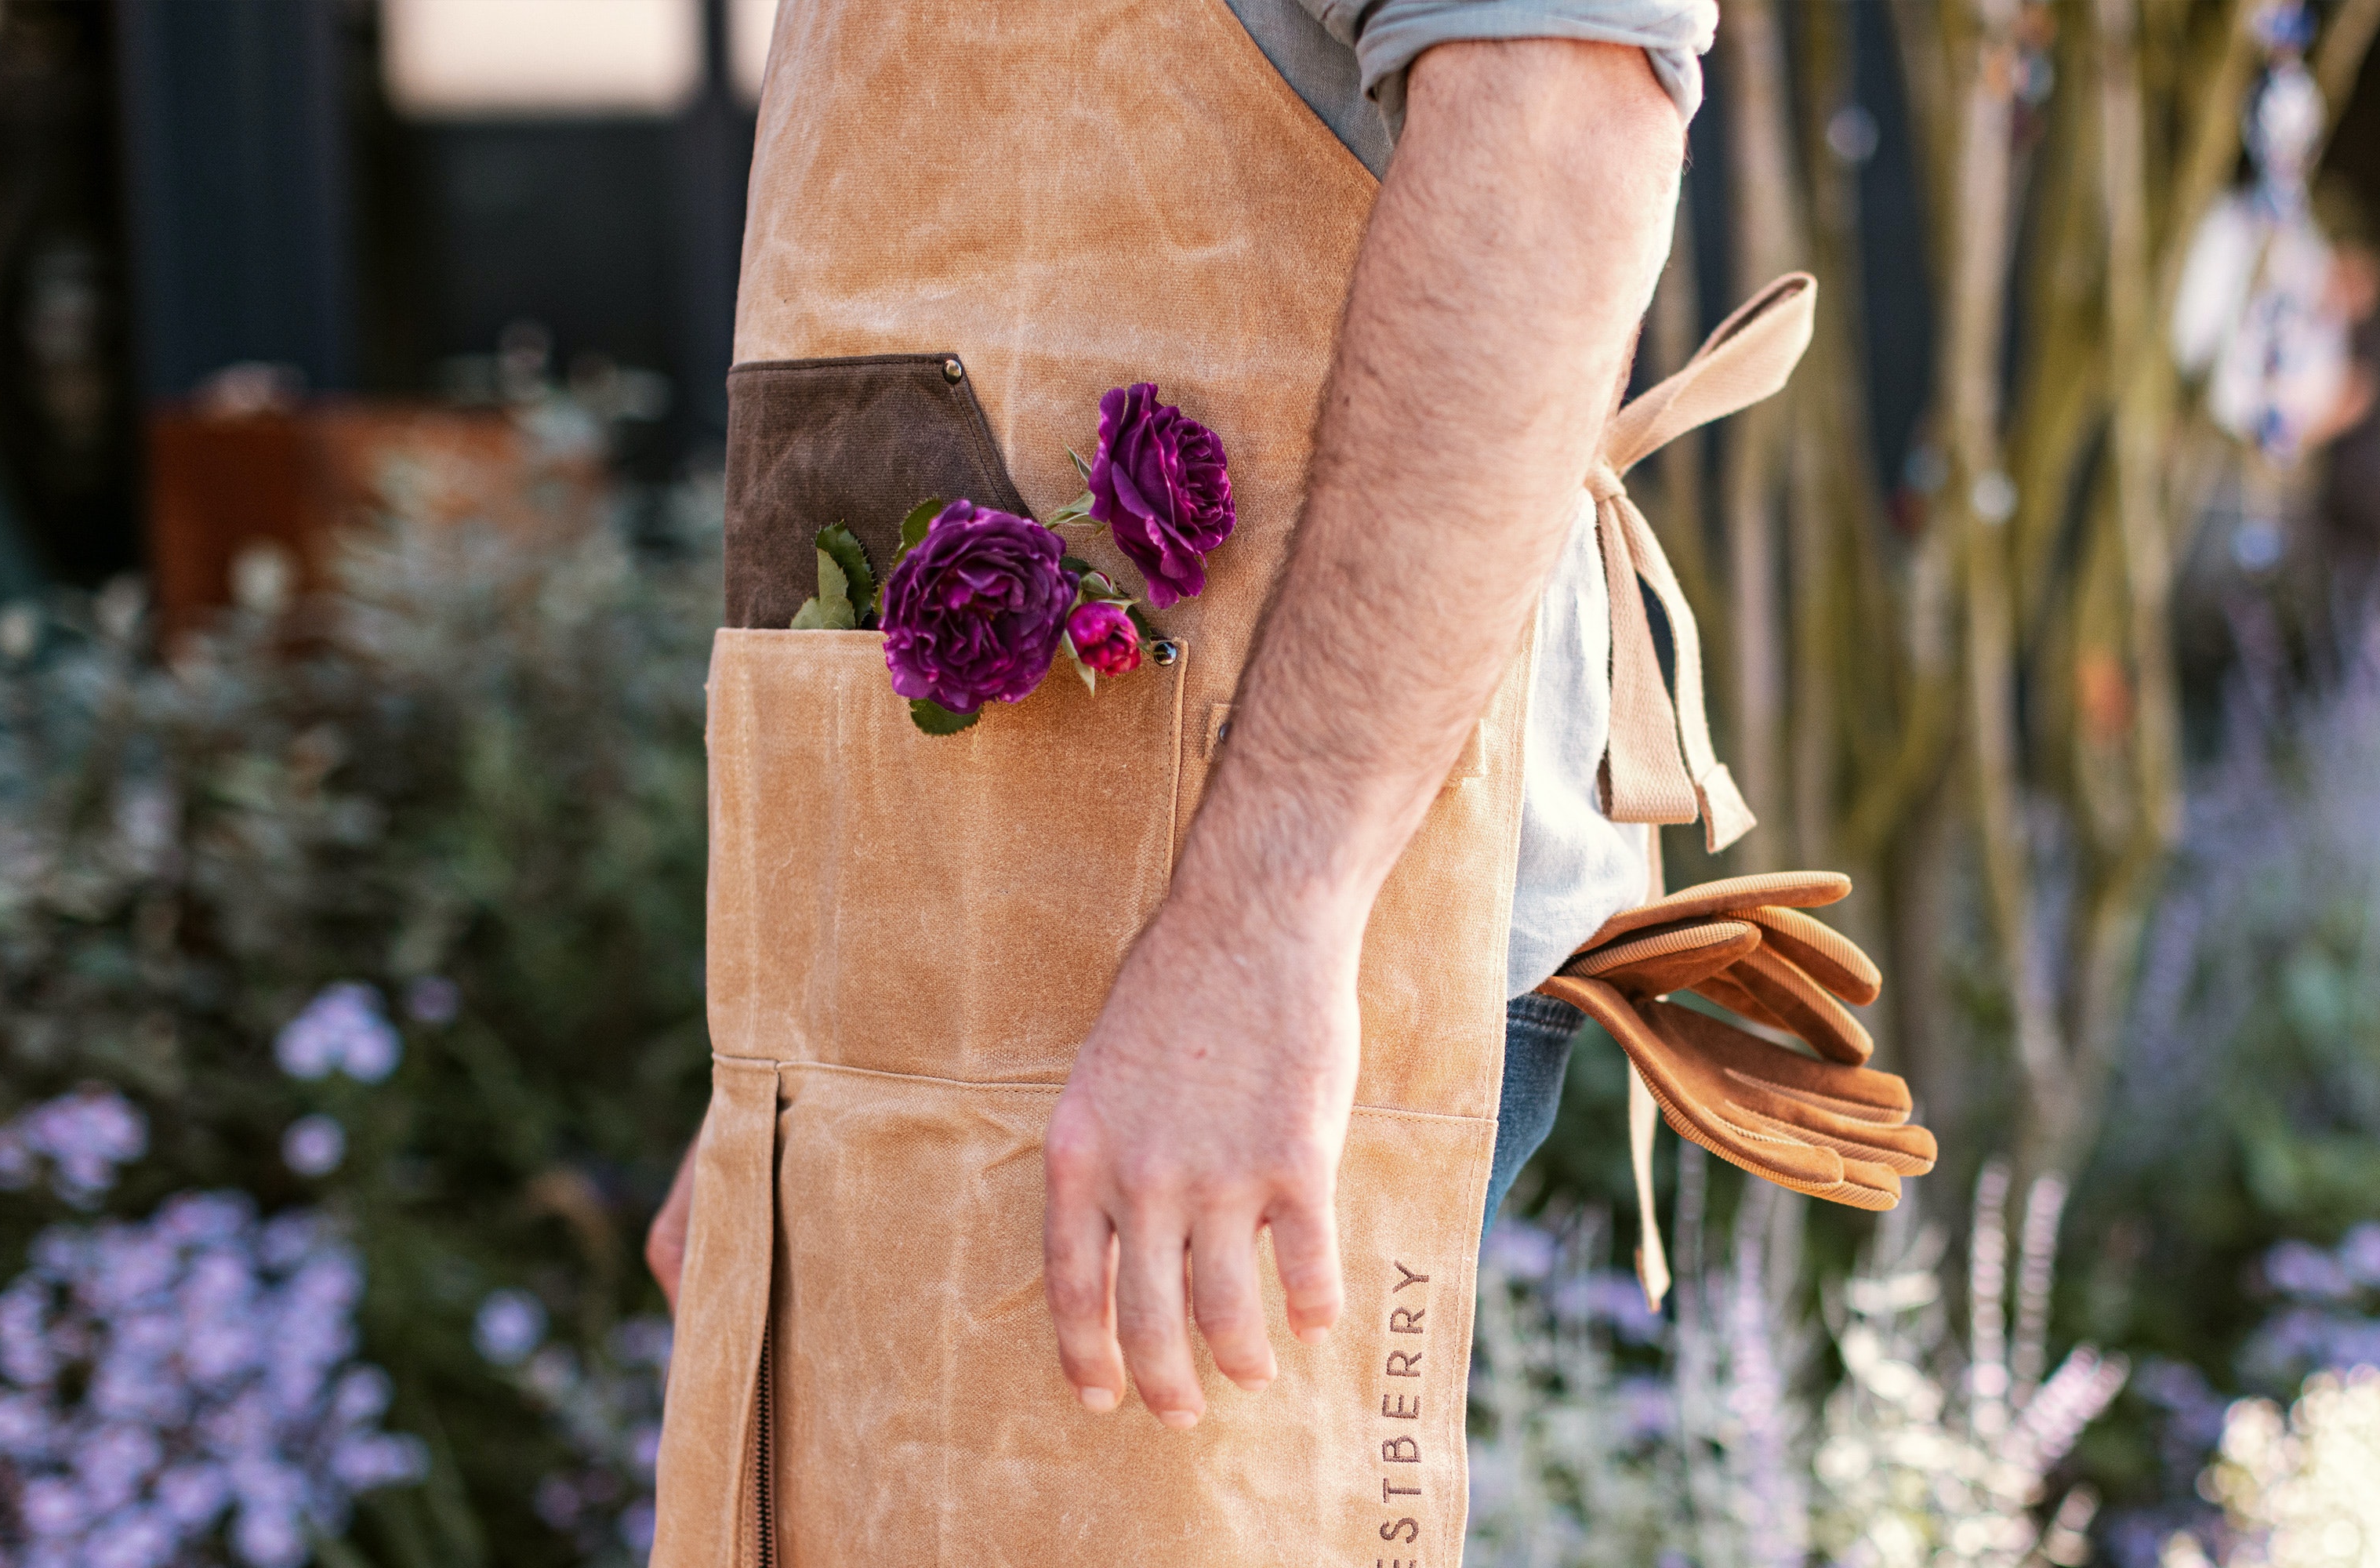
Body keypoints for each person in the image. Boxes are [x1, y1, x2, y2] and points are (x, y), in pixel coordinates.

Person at [638, 2, 1754, 1559]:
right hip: (913, 1006)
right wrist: (796, 1066)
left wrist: (1265, 916)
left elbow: (1559, 129)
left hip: (1223, 967)